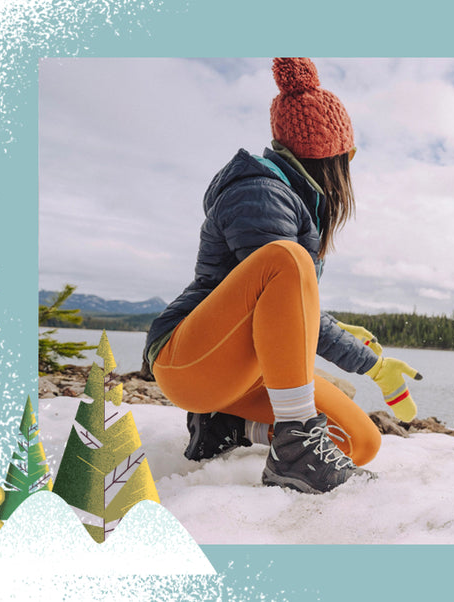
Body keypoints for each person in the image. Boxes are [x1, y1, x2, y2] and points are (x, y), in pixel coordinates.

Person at [143, 57, 422, 494]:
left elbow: (279, 310)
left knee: (360, 442)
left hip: (242, 371)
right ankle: (295, 450)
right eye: (349, 156)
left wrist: (332, 329)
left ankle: (227, 427)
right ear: (335, 155)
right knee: (288, 259)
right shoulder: (259, 191)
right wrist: (372, 364)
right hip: (190, 358)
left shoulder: (294, 198)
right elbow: (280, 274)